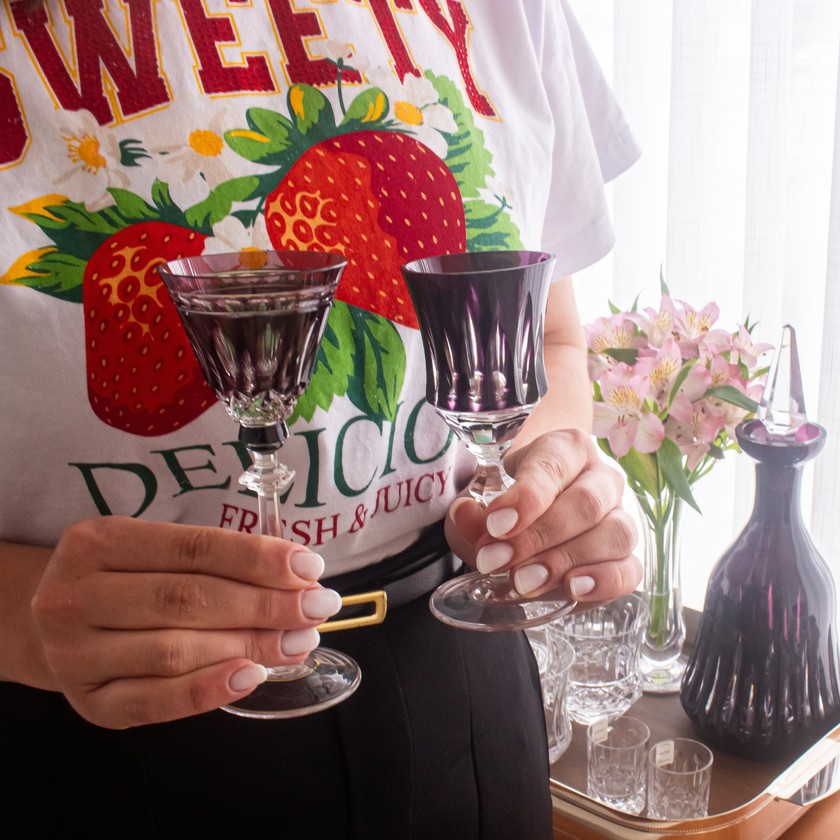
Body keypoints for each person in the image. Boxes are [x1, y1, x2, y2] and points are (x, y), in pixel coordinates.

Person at [0, 0, 641, 836]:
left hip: (457, 675)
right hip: (94, 723)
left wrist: (546, 485)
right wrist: (19, 618)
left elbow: (551, 339)